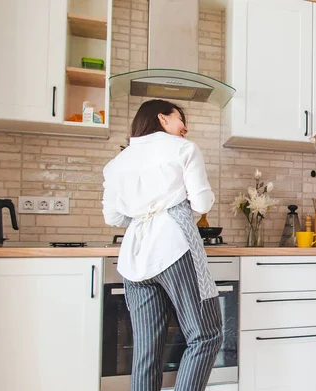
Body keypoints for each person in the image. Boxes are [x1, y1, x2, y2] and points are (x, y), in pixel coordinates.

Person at [102, 99, 222, 391]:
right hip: (173, 246)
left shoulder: (117, 162)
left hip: (135, 258)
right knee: (205, 335)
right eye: (180, 119)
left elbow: (113, 216)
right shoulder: (184, 148)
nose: (186, 127)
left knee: (146, 349)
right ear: (162, 118)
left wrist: (144, 207)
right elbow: (203, 203)